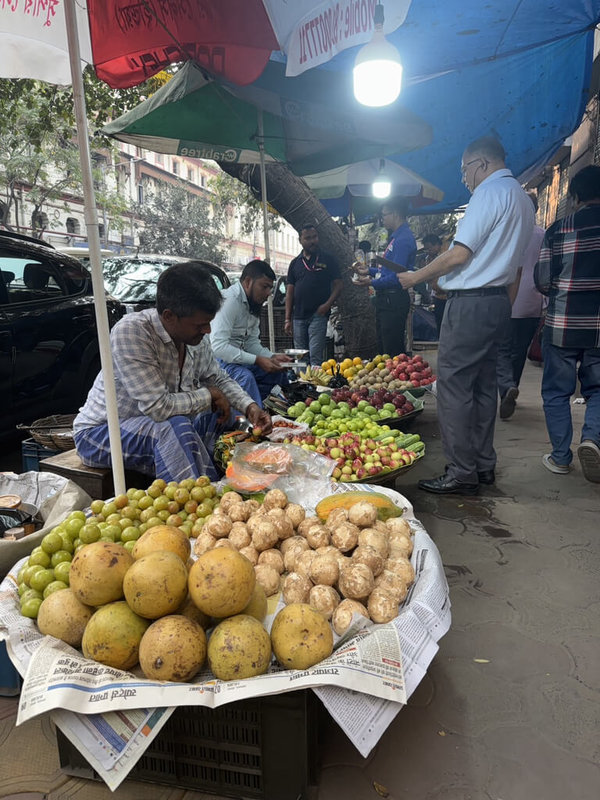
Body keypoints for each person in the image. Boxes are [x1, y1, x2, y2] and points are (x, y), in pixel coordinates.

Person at [397, 136, 534, 494]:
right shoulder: (521, 198)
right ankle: (482, 465)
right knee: (484, 386)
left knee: (454, 389)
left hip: (472, 304)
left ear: (481, 164)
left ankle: (461, 471)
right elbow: (511, 266)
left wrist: (417, 276)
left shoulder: (488, 194)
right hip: (497, 302)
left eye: (464, 171)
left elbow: (460, 254)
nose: (464, 179)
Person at [73, 262, 272, 483]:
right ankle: (198, 498)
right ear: (169, 316)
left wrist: (250, 406)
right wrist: (210, 395)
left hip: (159, 426)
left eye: (208, 324)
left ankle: (212, 480)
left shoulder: (196, 337)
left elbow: (217, 378)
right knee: (173, 427)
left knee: (219, 414)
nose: (207, 331)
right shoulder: (132, 332)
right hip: (99, 434)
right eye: (200, 325)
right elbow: (158, 407)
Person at [534, 165, 600, 482]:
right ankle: (592, 439)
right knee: (599, 389)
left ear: (574, 197)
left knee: (557, 392)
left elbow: (543, 281)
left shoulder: (558, 229)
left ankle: (560, 457)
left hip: (562, 325)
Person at [210, 259, 291, 407]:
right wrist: (258, 360)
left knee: (277, 371)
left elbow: (251, 342)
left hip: (238, 358)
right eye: (264, 287)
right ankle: (253, 421)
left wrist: (271, 356)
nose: (268, 294)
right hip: (216, 362)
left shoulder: (253, 304)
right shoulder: (230, 301)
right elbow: (218, 347)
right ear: (248, 282)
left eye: (270, 289)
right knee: (245, 378)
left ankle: (279, 411)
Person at [496, 192, 546, 419]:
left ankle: (506, 388)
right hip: (532, 301)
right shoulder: (543, 235)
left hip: (507, 298)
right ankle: (512, 385)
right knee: (519, 351)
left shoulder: (506, 232)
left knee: (502, 350)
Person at [355, 197, 416, 355]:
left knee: (392, 351)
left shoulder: (403, 240)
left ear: (395, 213)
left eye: (384, 215)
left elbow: (397, 277)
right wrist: (369, 271)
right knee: (384, 350)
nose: (382, 219)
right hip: (387, 300)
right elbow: (387, 271)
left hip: (393, 300)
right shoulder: (395, 238)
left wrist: (371, 283)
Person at [284, 224, 343, 365]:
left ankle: (316, 387)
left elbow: (339, 284)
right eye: (308, 238)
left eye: (314, 237)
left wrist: (327, 304)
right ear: (300, 240)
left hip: (318, 315)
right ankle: (303, 386)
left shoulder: (328, 259)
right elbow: (290, 291)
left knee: (316, 357)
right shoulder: (295, 263)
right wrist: (287, 319)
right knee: (300, 359)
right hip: (298, 317)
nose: (312, 241)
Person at [421, 234, 448, 336]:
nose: (428, 251)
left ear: (436, 245)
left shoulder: (446, 255)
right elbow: (428, 279)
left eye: (429, 248)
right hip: (438, 296)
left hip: (448, 296)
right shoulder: (429, 259)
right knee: (439, 324)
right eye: (426, 249)